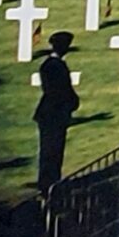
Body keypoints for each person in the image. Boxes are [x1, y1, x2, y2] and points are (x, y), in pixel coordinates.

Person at [33, 30, 79, 191]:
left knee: (54, 150)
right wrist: (72, 101)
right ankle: (48, 184)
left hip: (54, 113)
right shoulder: (53, 66)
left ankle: (51, 182)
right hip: (53, 113)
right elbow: (57, 90)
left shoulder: (53, 64)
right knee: (50, 150)